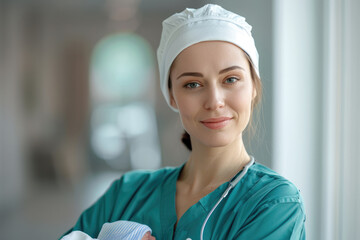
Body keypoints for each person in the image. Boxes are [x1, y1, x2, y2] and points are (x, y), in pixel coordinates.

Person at [61, 4, 306, 240]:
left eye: (231, 79)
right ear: (172, 96)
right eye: (193, 84)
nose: (214, 101)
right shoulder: (126, 194)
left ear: (254, 86)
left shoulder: (274, 203)